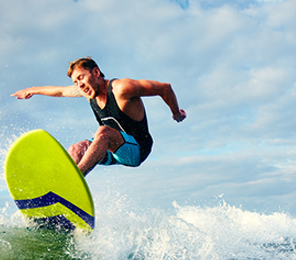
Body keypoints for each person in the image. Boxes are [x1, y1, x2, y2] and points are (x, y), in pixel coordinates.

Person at [11, 57, 186, 175]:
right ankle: (60, 188)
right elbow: (59, 91)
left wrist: (176, 113)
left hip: (137, 150)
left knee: (104, 132)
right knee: (76, 149)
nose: (79, 84)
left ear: (95, 73)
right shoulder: (86, 92)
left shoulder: (122, 89)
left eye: (81, 77)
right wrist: (31, 90)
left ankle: (74, 180)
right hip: (112, 150)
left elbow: (165, 88)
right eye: (75, 82)